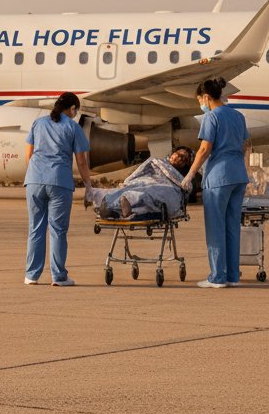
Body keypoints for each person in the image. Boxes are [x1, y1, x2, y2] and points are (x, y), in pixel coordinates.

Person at [179, 77, 250, 288]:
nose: (200, 104)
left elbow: (204, 149)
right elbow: (245, 145)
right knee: (232, 226)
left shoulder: (211, 117)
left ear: (206, 97)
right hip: (238, 175)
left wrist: (190, 174)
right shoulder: (238, 116)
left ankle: (217, 277)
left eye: (200, 99)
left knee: (215, 227)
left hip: (219, 177)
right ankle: (233, 276)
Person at [24, 93, 92, 286]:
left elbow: (29, 154)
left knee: (35, 228)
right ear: (72, 109)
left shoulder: (38, 123)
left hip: (34, 181)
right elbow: (81, 160)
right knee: (58, 230)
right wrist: (88, 185)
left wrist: (36, 174)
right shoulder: (73, 127)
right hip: (59, 182)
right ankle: (58, 276)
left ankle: (31, 275)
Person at [86, 148, 193, 221]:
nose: (179, 157)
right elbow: (142, 169)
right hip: (147, 180)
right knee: (133, 186)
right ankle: (97, 195)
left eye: (184, 158)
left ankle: (125, 201)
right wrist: (128, 181)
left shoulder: (182, 179)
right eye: (178, 154)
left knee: (153, 191)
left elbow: (185, 191)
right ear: (173, 153)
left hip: (165, 186)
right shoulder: (158, 162)